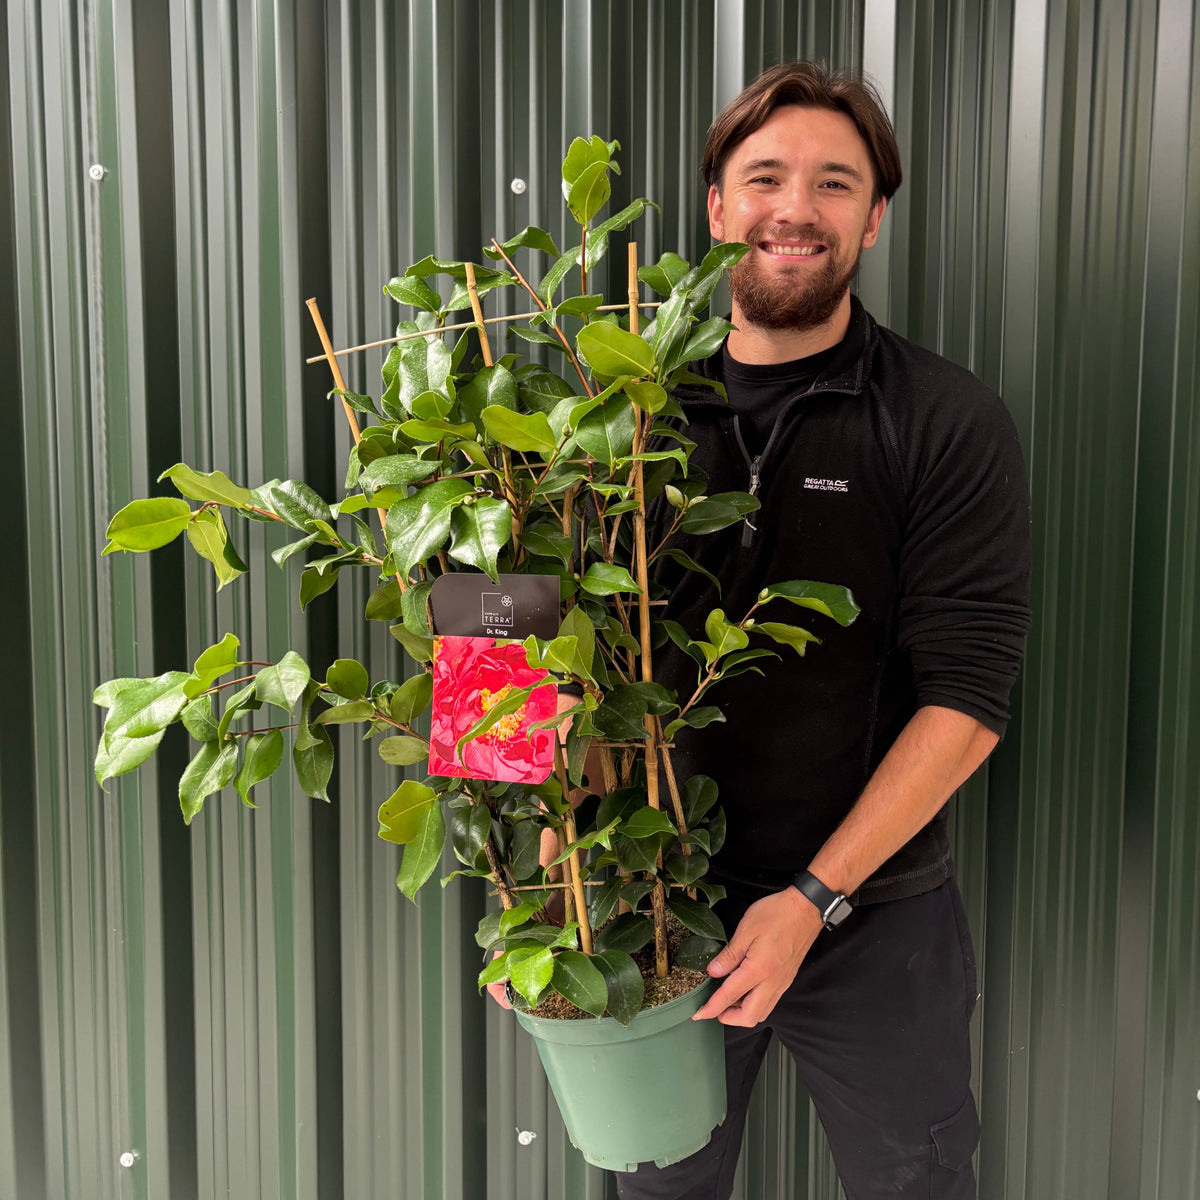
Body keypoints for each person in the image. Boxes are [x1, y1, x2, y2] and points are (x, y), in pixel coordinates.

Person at [616, 61, 1033, 1200]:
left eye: (834, 183)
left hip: (872, 916)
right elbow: (506, 638)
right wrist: (534, 891)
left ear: (874, 217)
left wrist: (811, 900)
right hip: (657, 908)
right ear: (716, 208)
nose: (794, 208)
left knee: (917, 1181)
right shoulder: (617, 420)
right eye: (764, 178)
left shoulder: (945, 420)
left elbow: (970, 694)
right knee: (659, 1185)